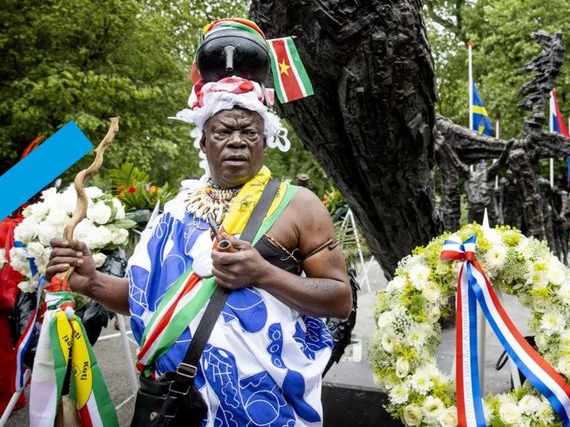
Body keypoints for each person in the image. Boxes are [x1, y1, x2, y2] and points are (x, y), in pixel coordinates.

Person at [45, 25, 352, 424]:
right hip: (176, 403)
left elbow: (339, 300)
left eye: (249, 132)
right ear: (204, 142)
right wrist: (92, 282)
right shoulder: (176, 210)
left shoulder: (299, 206)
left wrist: (264, 274)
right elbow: (148, 302)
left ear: (266, 139)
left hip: (265, 407)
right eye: (223, 132)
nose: (237, 141)